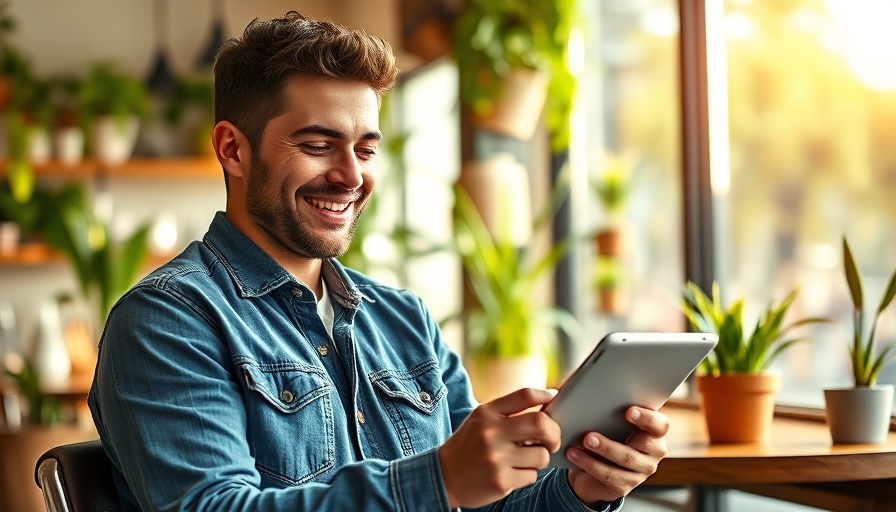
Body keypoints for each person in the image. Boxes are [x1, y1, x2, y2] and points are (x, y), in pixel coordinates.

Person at [88, 11, 669, 512]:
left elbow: (487, 501)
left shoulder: (403, 320)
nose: (352, 175)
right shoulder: (167, 321)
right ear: (232, 149)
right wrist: (437, 481)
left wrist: (581, 488)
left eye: (366, 148)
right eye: (317, 145)